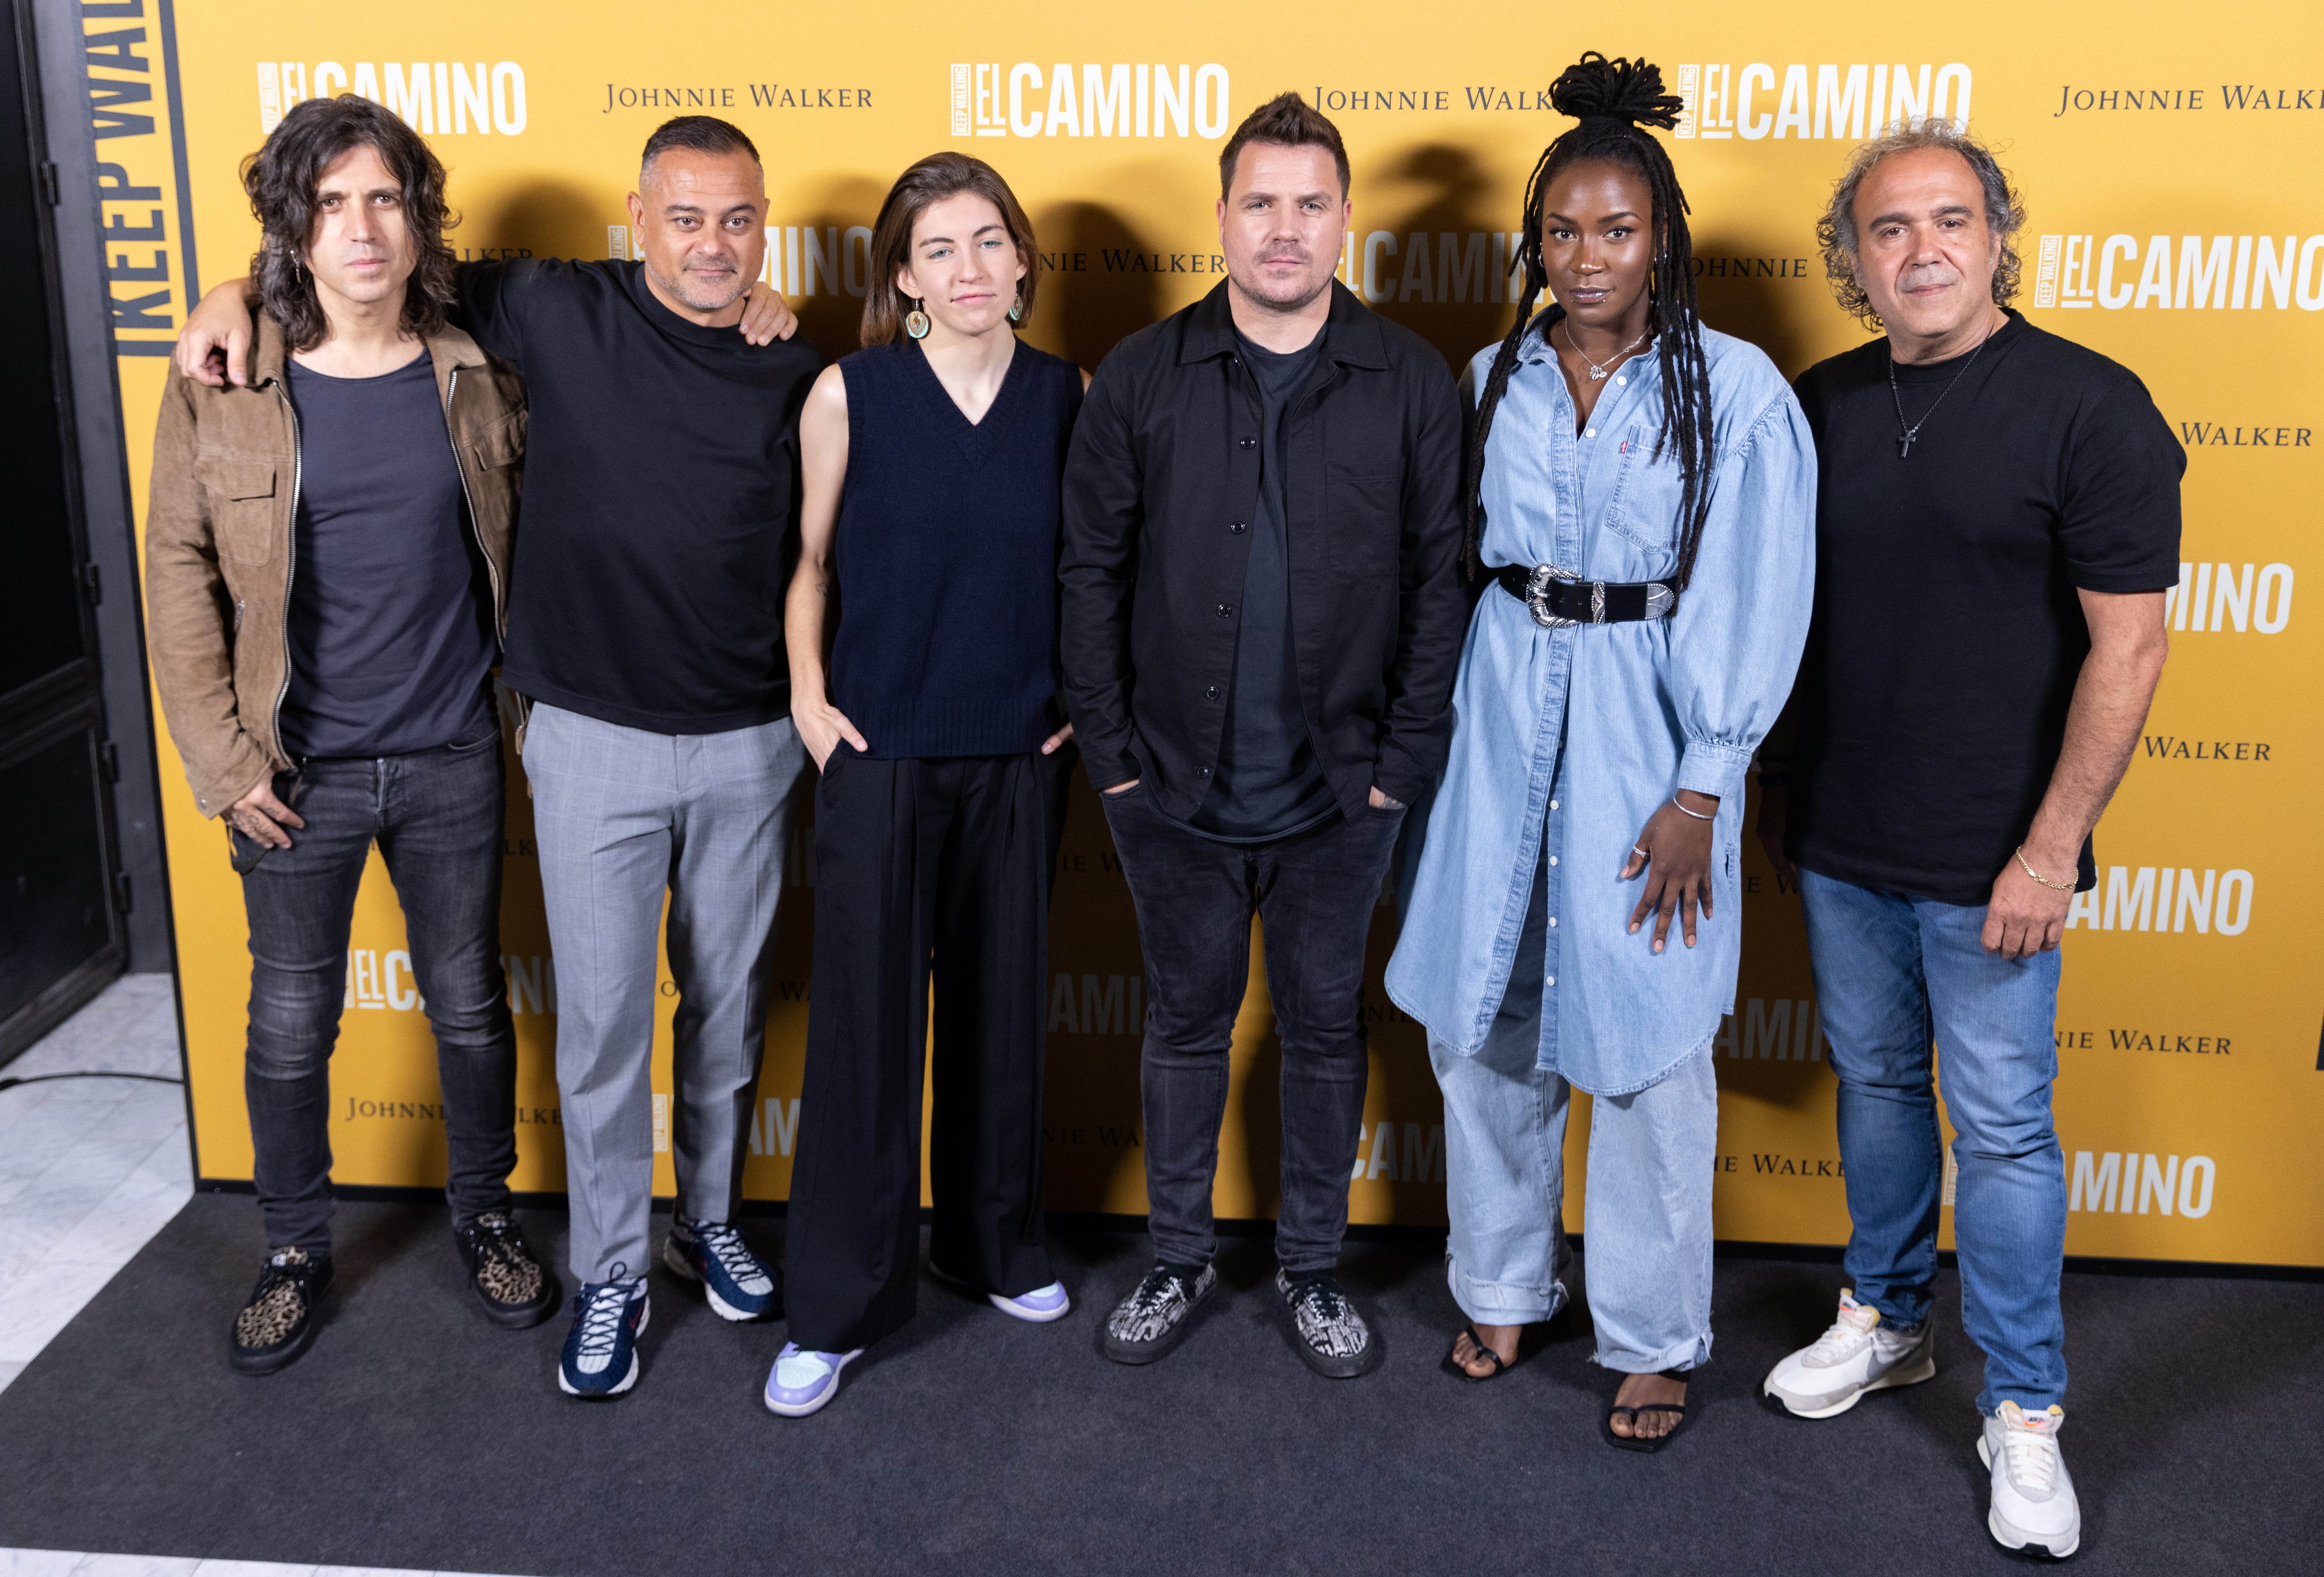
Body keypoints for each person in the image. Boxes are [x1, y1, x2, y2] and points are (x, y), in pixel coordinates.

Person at [176, 114, 811, 1400]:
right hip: (545, 745)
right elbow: (354, 269)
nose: (712, 244)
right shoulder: (541, 307)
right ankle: (602, 1273)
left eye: (739, 220)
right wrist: (231, 286)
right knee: (578, 1029)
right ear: (637, 222)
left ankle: (704, 1225)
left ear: (767, 225)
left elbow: (881, 458)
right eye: (683, 218)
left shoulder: (781, 361)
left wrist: (832, 316)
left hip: (708, 742)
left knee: (719, 1016)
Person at [1756, 120, 2177, 1558]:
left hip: (2002, 855)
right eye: (1890, 230)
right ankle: (1886, 1320)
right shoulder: (1813, 404)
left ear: (1998, 235)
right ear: (1854, 260)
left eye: (1949, 221)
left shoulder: (2091, 407)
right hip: (1843, 838)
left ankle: (2029, 1414)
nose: (1921, 249)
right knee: (1875, 1086)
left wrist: (2054, 848)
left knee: (1999, 1128)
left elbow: (2130, 651)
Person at [1384, 54, 1816, 1451]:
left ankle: (1647, 1337)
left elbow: (1756, 597)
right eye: (1562, 232)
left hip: (1650, 737)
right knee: (1489, 1023)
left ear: (1665, 239)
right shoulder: (1491, 371)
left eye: (1617, 230)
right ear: (1535, 244)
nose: (1587, 259)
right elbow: (1456, 569)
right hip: (1502, 721)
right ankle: (1506, 1285)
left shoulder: (1735, 394)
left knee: (1643, 1054)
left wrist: (1707, 783)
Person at [1060, 93, 1467, 1378]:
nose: (1284, 231)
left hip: (1345, 799)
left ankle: (1309, 1270)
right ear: (1221, 216)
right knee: (1184, 1027)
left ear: (1348, 218)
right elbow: (1088, 574)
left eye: (1310, 205)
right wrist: (1115, 758)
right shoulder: (1140, 374)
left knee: (1326, 1031)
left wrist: (1403, 773)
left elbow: (1440, 583)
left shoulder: (1409, 381)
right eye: (1260, 203)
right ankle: (1177, 1257)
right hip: (1168, 789)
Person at [145, 95, 554, 1373]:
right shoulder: (228, 377)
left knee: (473, 1010)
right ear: (294, 229)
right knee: (287, 1023)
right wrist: (222, 761)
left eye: (384, 199)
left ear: (419, 218)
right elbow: (176, 571)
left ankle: (485, 1216)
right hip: (293, 775)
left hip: (450, 757)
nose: (361, 229)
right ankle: (291, 1249)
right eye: (331, 205)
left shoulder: (475, 363)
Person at [762, 154, 1088, 1418]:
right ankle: (837, 1308)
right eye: (938, 249)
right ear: (903, 277)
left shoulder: (1072, 395)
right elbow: (809, 565)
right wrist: (807, 697)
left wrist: (1078, 706)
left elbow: (1094, 574)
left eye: (987, 242)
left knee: (1005, 1016)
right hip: (881, 754)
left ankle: (994, 1245)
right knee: (865, 1035)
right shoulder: (852, 393)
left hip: (1016, 755)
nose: (967, 268)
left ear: (1021, 262)